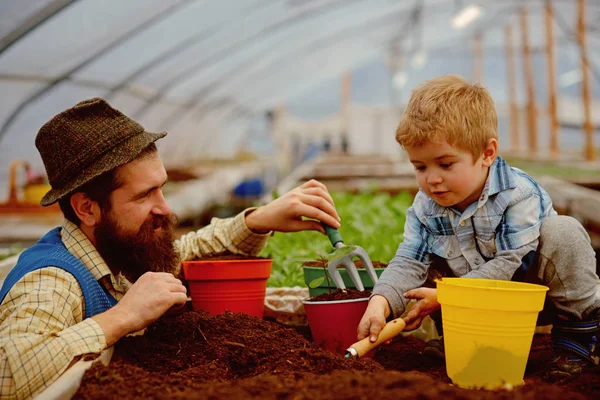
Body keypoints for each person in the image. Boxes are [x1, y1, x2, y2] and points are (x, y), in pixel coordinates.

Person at [0, 98, 341, 400]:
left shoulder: (117, 252)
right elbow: (9, 376)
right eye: (143, 195)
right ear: (87, 208)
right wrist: (123, 317)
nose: (164, 207)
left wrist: (257, 221)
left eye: (161, 188)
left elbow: (187, 250)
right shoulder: (50, 281)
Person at [357, 75, 599, 377]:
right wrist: (380, 302)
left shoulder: (517, 193)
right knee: (429, 258)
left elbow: (510, 263)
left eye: (445, 164)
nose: (432, 179)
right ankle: (461, 337)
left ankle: (578, 339)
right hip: (475, 307)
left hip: (535, 295)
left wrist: (449, 296)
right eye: (420, 167)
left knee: (563, 232)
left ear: (487, 154)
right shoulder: (426, 206)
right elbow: (409, 259)